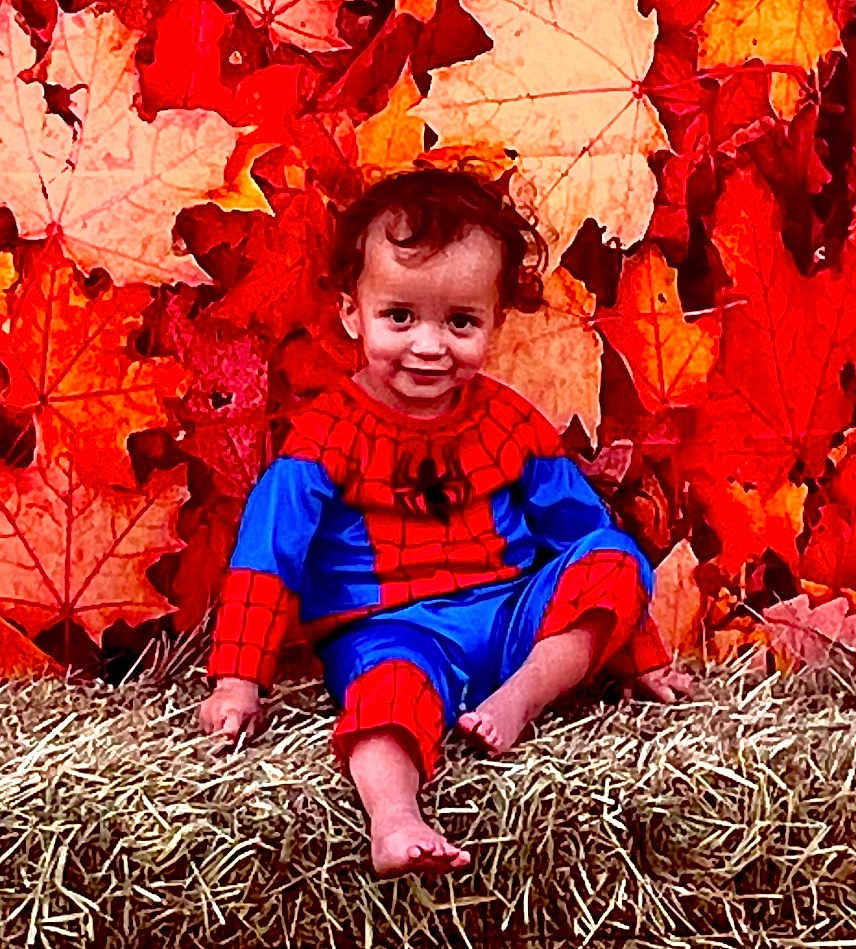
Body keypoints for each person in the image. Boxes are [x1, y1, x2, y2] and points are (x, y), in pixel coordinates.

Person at [198, 166, 692, 879]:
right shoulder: (323, 440)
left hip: (511, 619)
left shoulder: (508, 421)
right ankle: (395, 818)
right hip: (390, 626)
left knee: (612, 556)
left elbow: (577, 529)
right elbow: (266, 559)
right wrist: (237, 681)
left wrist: (640, 653)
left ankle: (517, 699)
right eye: (400, 316)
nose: (429, 345)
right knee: (385, 695)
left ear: (493, 321)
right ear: (352, 314)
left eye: (459, 322)